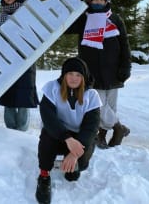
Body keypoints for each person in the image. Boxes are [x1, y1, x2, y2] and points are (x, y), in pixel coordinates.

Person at [66, 0, 131, 149]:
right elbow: (67, 28)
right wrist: (79, 10)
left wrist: (126, 66)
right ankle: (119, 128)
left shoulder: (115, 19)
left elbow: (124, 44)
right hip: (92, 71)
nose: (98, 2)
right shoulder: (84, 19)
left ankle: (100, 136)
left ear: (106, 0)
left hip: (114, 71)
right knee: (98, 105)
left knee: (111, 105)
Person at [35, 57, 101, 204]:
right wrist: (67, 138)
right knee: (46, 137)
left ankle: (72, 165)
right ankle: (44, 176)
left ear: (83, 77)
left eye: (78, 75)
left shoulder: (91, 95)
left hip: (80, 137)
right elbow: (48, 118)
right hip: (58, 133)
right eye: (70, 74)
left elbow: (91, 127)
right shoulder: (52, 89)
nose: (73, 78)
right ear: (64, 75)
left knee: (80, 165)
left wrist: (74, 154)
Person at [0, 0, 39, 131]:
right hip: (7, 60)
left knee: (23, 96)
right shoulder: (2, 16)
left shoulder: (27, 12)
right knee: (8, 95)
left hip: (25, 59)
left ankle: (21, 130)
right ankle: (10, 130)